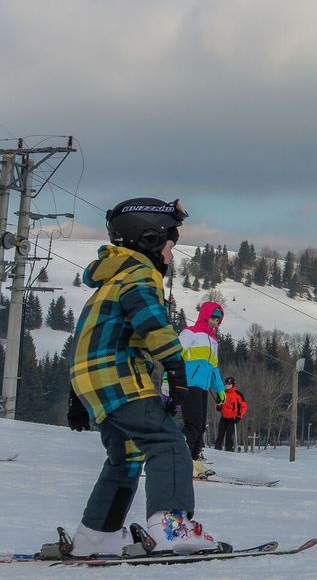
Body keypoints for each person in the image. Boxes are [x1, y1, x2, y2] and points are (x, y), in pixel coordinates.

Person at [66, 197, 219, 555]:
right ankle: (171, 526)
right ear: (149, 239)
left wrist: (76, 394)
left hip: (95, 382)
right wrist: (176, 369)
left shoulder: (111, 279)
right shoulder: (139, 274)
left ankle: (96, 535)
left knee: (126, 457)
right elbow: (152, 323)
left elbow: (87, 337)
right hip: (122, 379)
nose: (170, 257)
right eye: (168, 247)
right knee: (167, 444)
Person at [179, 301, 225, 478]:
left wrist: (220, 389)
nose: (216, 322)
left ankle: (194, 459)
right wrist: (169, 378)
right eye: (213, 318)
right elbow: (176, 356)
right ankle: (184, 460)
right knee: (193, 422)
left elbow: (214, 367)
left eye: (219, 320)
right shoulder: (190, 333)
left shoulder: (213, 342)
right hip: (189, 383)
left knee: (201, 424)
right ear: (205, 316)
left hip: (203, 386)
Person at [213, 377, 247, 452]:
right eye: (226, 384)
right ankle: (217, 449)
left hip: (233, 418)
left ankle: (229, 450)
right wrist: (218, 407)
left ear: (233, 384)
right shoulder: (222, 393)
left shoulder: (238, 394)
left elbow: (244, 406)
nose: (227, 385)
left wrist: (239, 416)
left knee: (229, 435)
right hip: (224, 417)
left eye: (229, 384)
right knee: (220, 434)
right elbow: (218, 403)